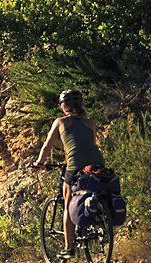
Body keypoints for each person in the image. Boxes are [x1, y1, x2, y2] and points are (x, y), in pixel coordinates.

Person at [32, 89, 105, 252]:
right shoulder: (90, 123)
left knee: (67, 202)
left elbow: (47, 146)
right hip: (97, 163)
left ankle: (68, 247)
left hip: (75, 165)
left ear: (64, 106)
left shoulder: (60, 122)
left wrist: (39, 163)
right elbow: (90, 144)